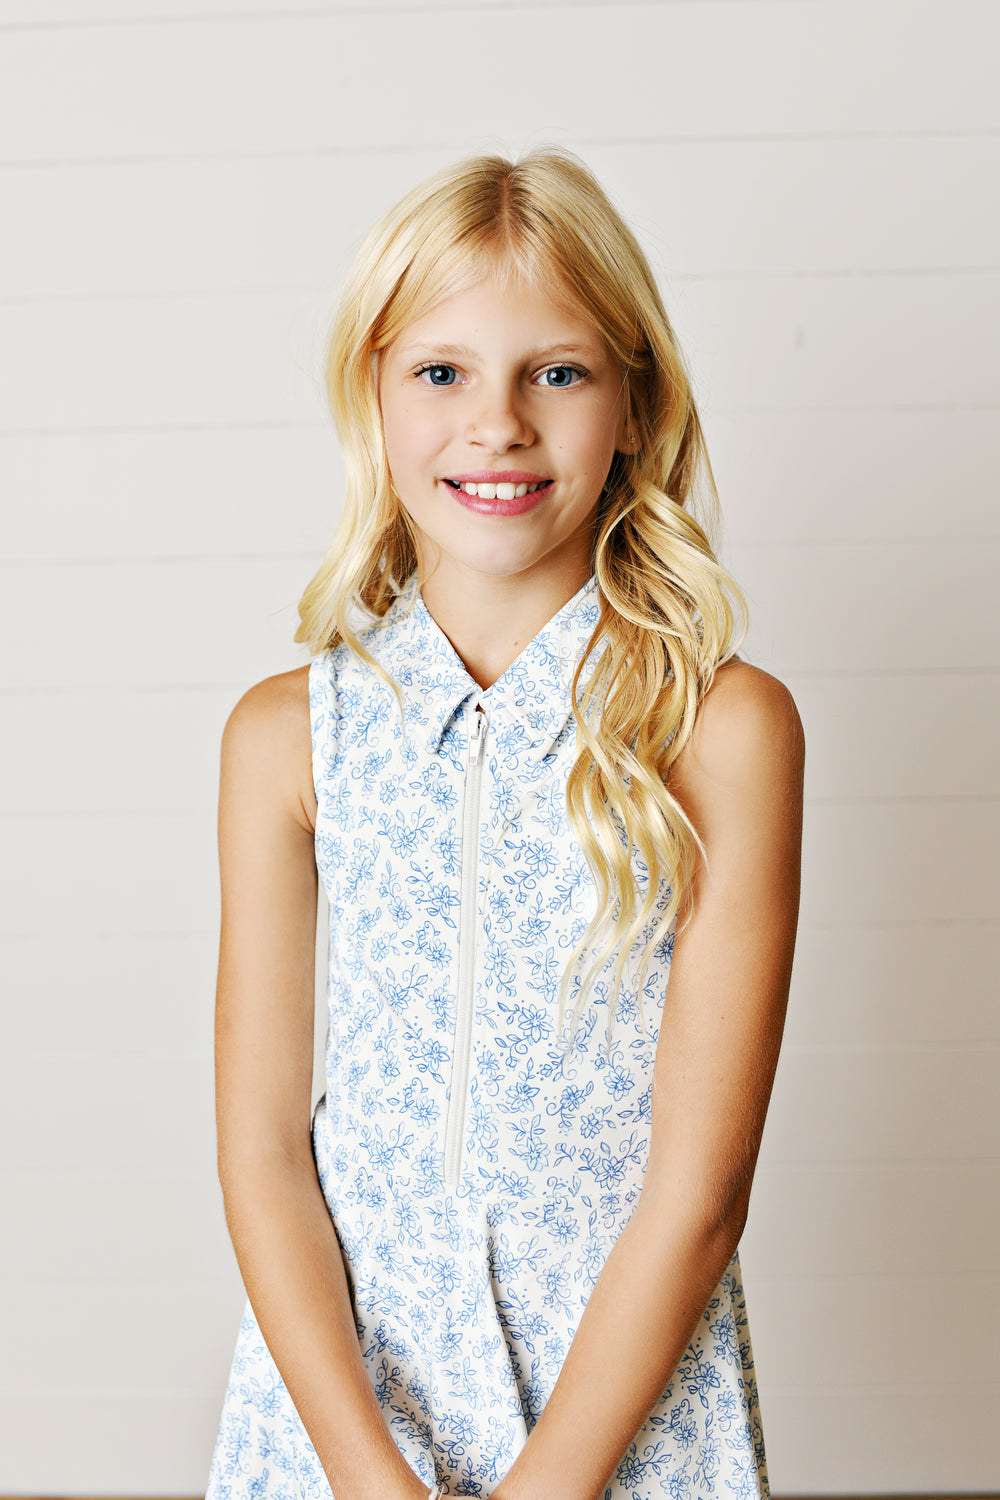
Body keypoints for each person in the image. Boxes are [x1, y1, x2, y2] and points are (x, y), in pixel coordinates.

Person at [206, 148, 804, 1500]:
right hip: (347, 1422)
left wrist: (553, 1486)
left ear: (637, 406)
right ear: (374, 397)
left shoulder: (722, 732)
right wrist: (367, 1475)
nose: (498, 425)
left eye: (559, 371)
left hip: (628, 1425)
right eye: (442, 373)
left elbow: (699, 1190)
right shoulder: (286, 740)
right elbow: (261, 1153)